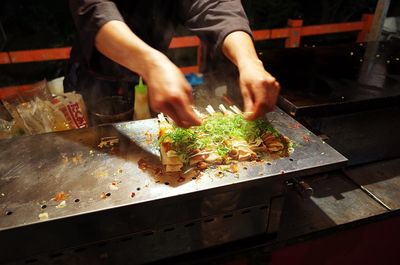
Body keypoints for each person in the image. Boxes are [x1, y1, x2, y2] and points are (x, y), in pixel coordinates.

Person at [65, 0, 280, 128]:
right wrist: (153, 64)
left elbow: (214, 4)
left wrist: (249, 61)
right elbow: (94, 9)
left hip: (155, 81)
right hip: (96, 80)